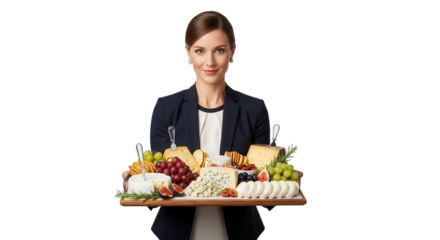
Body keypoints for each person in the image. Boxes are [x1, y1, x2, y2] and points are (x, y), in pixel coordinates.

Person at [119, 10, 301, 239]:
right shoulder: (166, 107)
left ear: (233, 52)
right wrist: (137, 183)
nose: (210, 62)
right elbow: (160, 180)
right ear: (187, 52)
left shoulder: (254, 109)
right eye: (200, 51)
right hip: (176, 231)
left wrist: (283, 182)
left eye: (220, 50)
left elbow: (259, 180)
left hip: (240, 231)